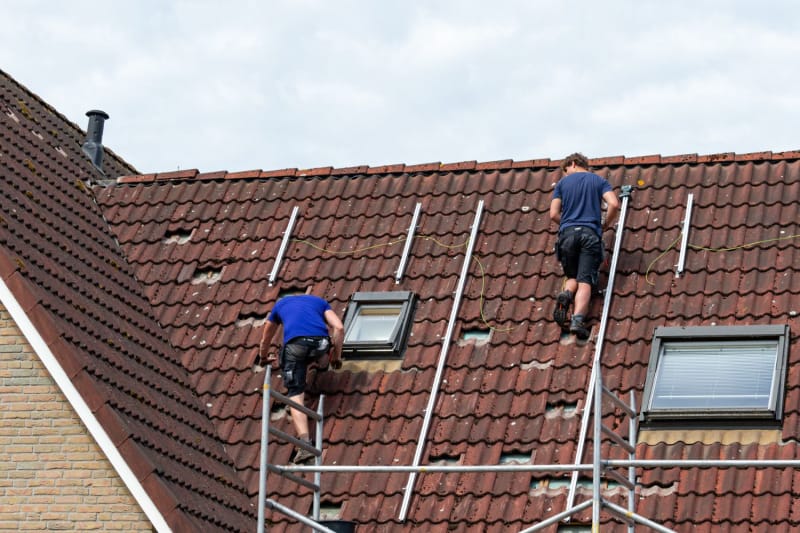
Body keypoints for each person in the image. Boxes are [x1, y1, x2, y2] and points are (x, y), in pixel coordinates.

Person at [259, 290, 344, 464]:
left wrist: (263, 357)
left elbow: (266, 336)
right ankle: (322, 361)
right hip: (320, 343)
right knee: (319, 348)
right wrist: (336, 356)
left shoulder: (280, 304)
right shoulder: (319, 301)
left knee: (295, 393)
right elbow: (339, 328)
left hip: (295, 347)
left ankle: (305, 444)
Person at [549, 153, 619, 339]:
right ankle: (578, 320)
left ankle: (566, 293)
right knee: (585, 280)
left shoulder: (562, 185)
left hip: (568, 235)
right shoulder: (598, 181)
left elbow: (553, 213)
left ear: (572, 164)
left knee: (572, 276)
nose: (566, 175)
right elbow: (613, 203)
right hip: (590, 234)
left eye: (566, 171)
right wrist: (605, 224)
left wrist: (567, 223)